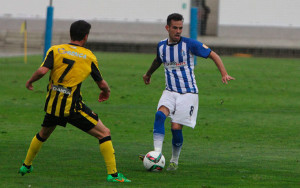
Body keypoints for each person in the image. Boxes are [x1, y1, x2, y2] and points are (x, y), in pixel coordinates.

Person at [18, 20, 131, 183]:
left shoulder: (55, 50)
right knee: (104, 133)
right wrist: (106, 91)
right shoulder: (88, 56)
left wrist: (30, 81)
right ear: (85, 36)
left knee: (43, 134)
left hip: (53, 104)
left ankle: (26, 165)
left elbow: (42, 70)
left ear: (71, 34)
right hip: (73, 107)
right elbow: (101, 83)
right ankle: (113, 175)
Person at [141, 13, 234, 171]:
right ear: (167, 28)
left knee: (175, 127)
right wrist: (148, 74)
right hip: (170, 91)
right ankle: (156, 155)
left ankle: (174, 160)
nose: (178, 31)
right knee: (159, 115)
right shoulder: (161, 46)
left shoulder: (189, 44)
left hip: (188, 93)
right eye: (175, 28)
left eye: (181, 28)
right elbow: (158, 60)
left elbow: (213, 55)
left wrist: (224, 73)